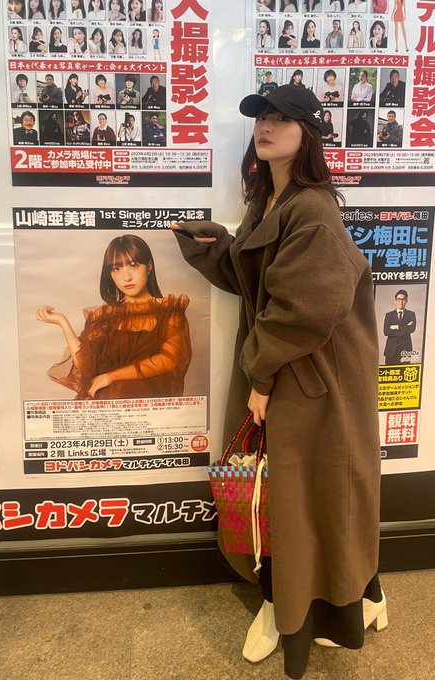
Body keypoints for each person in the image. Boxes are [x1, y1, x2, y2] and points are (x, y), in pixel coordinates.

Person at [170, 84, 384, 680]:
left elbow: (306, 309)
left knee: (303, 494)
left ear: (307, 133)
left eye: (281, 118)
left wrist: (262, 377)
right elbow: (264, 285)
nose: (266, 126)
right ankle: (318, 598)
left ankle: (303, 609)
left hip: (314, 374)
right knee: (284, 493)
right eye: (261, 117)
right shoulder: (272, 200)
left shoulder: (313, 208)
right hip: (289, 364)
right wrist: (215, 248)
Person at [37, 235, 191, 400]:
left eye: (133, 265)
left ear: (149, 266)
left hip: (147, 408)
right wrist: (62, 322)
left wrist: (111, 376)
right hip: (105, 408)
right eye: (116, 268)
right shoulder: (103, 316)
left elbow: (169, 359)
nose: (126, 277)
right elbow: (85, 366)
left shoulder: (169, 310)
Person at [383, 290, 416, 364]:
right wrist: (404, 329)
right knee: (389, 370)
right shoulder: (389, 315)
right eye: (399, 299)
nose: (401, 301)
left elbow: (412, 329)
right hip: (391, 350)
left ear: (406, 301)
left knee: (405, 370)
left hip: (405, 351)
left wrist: (397, 327)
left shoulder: (411, 314)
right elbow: (386, 331)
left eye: (403, 299)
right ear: (395, 301)